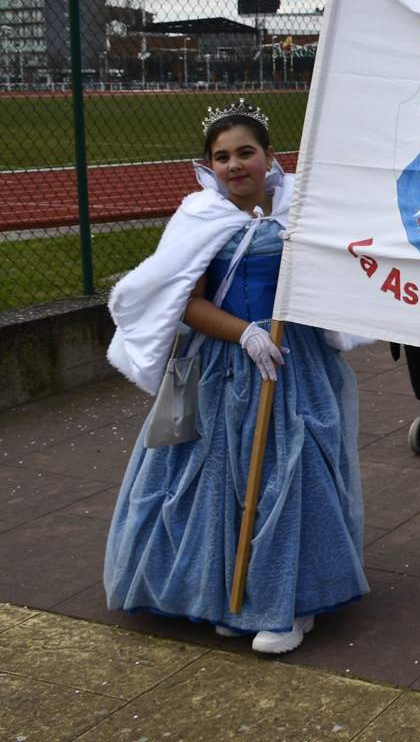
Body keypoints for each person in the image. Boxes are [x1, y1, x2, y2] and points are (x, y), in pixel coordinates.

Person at [103, 101, 367, 654]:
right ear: (209, 165)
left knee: (293, 472)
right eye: (222, 157)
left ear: (269, 157)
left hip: (293, 361)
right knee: (214, 481)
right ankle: (231, 595)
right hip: (224, 361)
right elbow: (185, 301)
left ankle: (291, 604)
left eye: (245, 152)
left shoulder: (302, 210)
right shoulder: (201, 217)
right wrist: (244, 333)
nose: (234, 165)